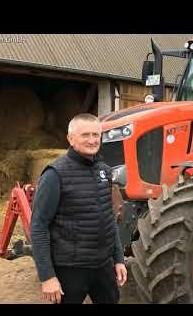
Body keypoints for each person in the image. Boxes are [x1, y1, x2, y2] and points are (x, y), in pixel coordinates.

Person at [30, 113, 127, 304]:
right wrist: (47, 276)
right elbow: (39, 226)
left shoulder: (104, 171)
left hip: (103, 266)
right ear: (70, 139)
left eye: (95, 135)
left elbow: (109, 219)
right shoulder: (55, 174)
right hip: (70, 269)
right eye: (85, 135)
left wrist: (118, 259)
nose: (92, 140)